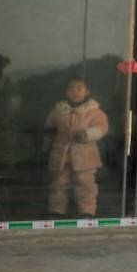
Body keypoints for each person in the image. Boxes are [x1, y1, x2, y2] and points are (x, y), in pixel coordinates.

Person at [43, 77, 109, 218]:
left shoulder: (93, 111)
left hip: (85, 157)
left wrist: (86, 134)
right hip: (61, 155)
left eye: (79, 89)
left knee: (85, 185)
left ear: (87, 92)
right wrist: (46, 147)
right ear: (66, 92)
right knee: (59, 184)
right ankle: (56, 210)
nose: (75, 92)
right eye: (71, 89)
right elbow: (49, 128)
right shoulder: (59, 110)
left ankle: (87, 211)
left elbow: (102, 127)